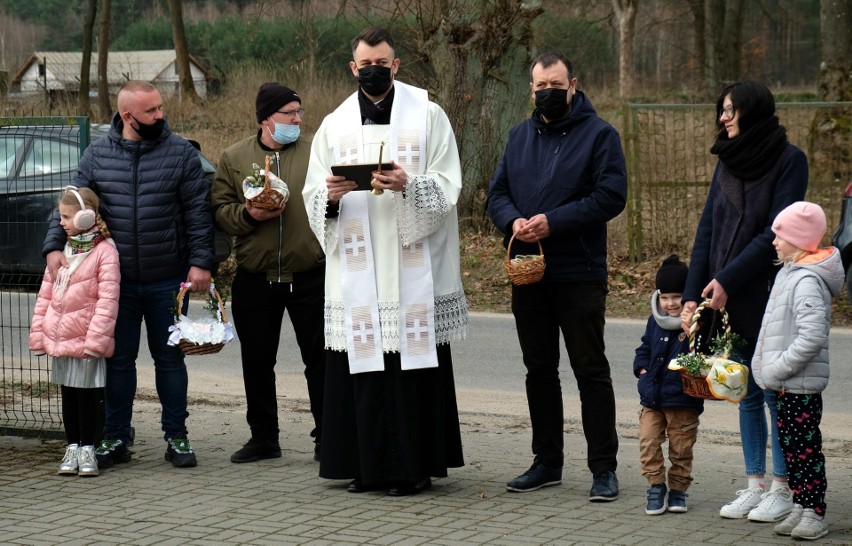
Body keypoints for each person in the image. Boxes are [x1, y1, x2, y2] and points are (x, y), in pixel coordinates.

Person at [303, 26, 468, 496]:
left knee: (411, 369)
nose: (374, 69)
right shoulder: (334, 124)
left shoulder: (430, 115)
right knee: (363, 366)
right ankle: (365, 467)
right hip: (359, 273)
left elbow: (449, 182)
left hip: (411, 264)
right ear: (353, 68)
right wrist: (330, 198)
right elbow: (314, 192)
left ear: (396, 66)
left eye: (383, 62)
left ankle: (413, 469)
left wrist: (408, 186)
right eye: (365, 63)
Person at [42, 80, 216, 469]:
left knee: (170, 360)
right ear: (127, 116)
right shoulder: (97, 155)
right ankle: (116, 437)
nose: (160, 115)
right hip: (114, 284)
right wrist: (54, 245)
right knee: (117, 361)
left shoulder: (181, 154)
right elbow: (72, 203)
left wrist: (201, 261)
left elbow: (198, 214)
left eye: (160, 108)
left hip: (168, 279)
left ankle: (177, 436)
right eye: (151, 110)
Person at [487, 51, 626, 501]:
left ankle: (603, 468)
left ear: (573, 84)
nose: (546, 92)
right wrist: (513, 222)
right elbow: (497, 194)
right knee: (539, 370)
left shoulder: (600, 135)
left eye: (554, 84)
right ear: (531, 89)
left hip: (579, 272)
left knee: (590, 371)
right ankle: (547, 462)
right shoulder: (519, 135)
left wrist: (554, 221)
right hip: (529, 272)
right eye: (539, 86)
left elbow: (611, 196)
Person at [680, 80, 808, 521]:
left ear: (752, 112)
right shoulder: (727, 162)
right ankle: (754, 484)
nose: (723, 116)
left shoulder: (790, 160)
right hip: (723, 297)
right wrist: (692, 296)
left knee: (773, 393)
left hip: (766, 293)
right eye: (722, 109)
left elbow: (777, 233)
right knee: (745, 391)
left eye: (731, 109)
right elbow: (707, 233)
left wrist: (727, 279)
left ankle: (783, 487)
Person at [212, 83, 326, 463]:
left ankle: (327, 436)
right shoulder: (234, 157)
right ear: (265, 119)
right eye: (289, 114)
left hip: (310, 275)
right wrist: (249, 214)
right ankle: (264, 438)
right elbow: (219, 211)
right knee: (258, 362)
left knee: (321, 360)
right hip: (257, 278)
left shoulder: (316, 154)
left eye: (299, 112)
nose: (298, 120)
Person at [752, 202, 842, 540]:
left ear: (800, 239)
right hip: (786, 385)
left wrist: (776, 369)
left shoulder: (807, 280)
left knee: (806, 451)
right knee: (792, 450)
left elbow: (811, 337)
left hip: (798, 384)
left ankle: (815, 513)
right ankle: (802, 506)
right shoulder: (788, 273)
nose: (774, 241)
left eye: (781, 235)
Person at [30, 187, 120, 477]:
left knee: (89, 396)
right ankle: (72, 445)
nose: (61, 223)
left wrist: (95, 340)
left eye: (66, 217)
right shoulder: (62, 251)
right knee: (68, 393)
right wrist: (39, 332)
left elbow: (108, 301)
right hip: (61, 338)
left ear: (85, 217)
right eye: (61, 216)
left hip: (86, 340)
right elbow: (46, 294)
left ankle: (89, 448)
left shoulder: (106, 252)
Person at [633, 255, 703, 515]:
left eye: (677, 296)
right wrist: (641, 368)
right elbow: (645, 346)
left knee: (681, 447)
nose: (671, 303)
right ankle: (655, 486)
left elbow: (706, 353)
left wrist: (696, 327)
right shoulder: (655, 320)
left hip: (683, 399)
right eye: (665, 297)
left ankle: (678, 490)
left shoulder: (697, 322)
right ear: (658, 297)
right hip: (652, 397)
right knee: (648, 441)